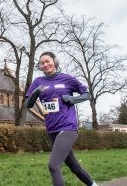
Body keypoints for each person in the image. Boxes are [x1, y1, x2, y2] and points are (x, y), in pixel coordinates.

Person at [26, 51, 98, 186]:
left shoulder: (67, 79)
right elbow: (28, 104)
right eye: (42, 63)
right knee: (75, 167)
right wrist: (36, 92)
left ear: (54, 61)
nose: (45, 64)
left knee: (53, 165)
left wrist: (72, 99)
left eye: (48, 61)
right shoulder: (38, 82)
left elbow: (87, 94)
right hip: (52, 129)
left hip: (68, 127)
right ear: (40, 67)